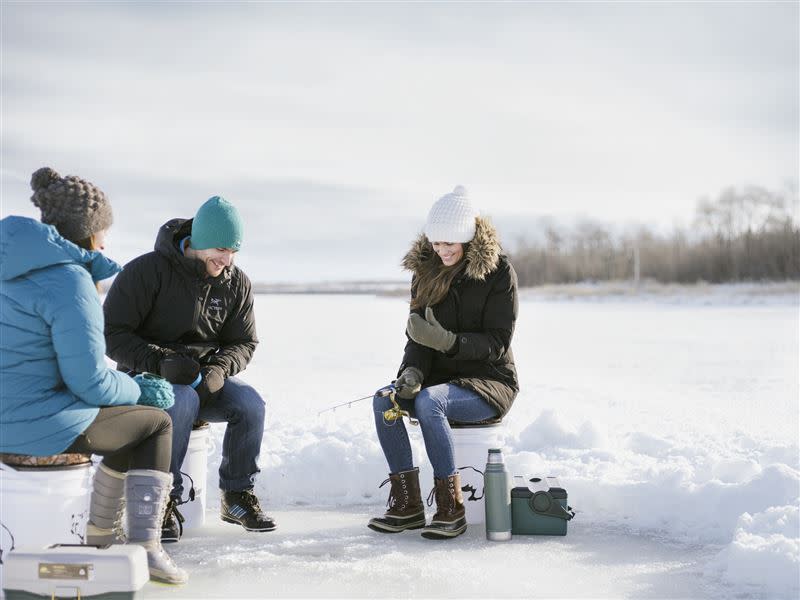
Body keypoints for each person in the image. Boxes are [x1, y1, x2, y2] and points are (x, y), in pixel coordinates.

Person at [0, 167, 186, 585]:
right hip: (38, 427)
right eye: (104, 230)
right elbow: (90, 383)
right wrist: (142, 387)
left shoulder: (9, 269)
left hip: (10, 416)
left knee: (121, 415)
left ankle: (101, 533)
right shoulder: (69, 280)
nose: (107, 239)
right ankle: (145, 548)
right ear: (88, 233)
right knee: (154, 421)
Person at [103, 195, 273, 543]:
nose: (227, 260)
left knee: (250, 405)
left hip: (204, 377)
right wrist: (159, 361)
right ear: (198, 241)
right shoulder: (146, 271)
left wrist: (220, 369)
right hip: (148, 377)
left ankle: (237, 495)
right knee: (179, 400)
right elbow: (112, 333)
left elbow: (245, 342)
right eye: (221, 249)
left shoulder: (235, 282)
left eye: (234, 252)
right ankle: (162, 498)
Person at [368, 185, 519, 540]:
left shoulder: (498, 273)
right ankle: (408, 506)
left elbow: (498, 344)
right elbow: (418, 338)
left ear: (467, 237)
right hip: (438, 380)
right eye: (436, 242)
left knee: (428, 401)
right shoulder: (425, 272)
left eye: (450, 242)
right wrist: (412, 371)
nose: (442, 250)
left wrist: (450, 343)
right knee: (384, 400)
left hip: (489, 381)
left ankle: (451, 509)